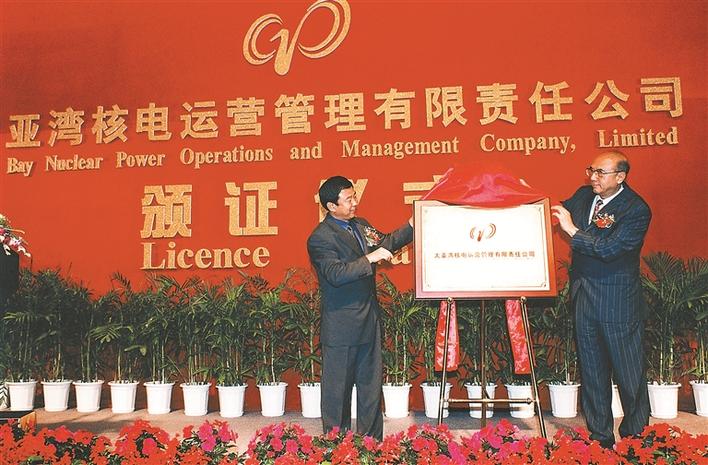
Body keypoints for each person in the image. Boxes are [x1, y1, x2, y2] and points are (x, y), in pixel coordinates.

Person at [551, 151, 651, 449]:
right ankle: (600, 438)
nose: (593, 177)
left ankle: (635, 439)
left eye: (600, 173)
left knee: (629, 374)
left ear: (620, 177)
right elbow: (552, 211)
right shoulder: (584, 196)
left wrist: (572, 230)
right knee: (592, 373)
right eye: (591, 170)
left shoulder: (635, 209)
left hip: (617, 301)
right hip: (585, 297)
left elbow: (609, 249)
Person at [307, 175, 413, 440]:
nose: (354, 202)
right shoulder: (320, 238)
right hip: (341, 326)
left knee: (370, 388)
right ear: (331, 206)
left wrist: (413, 224)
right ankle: (336, 445)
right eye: (348, 199)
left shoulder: (361, 226)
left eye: (354, 196)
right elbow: (336, 273)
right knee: (337, 392)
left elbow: (386, 243)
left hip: (369, 320)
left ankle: (371, 444)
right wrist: (369, 258)